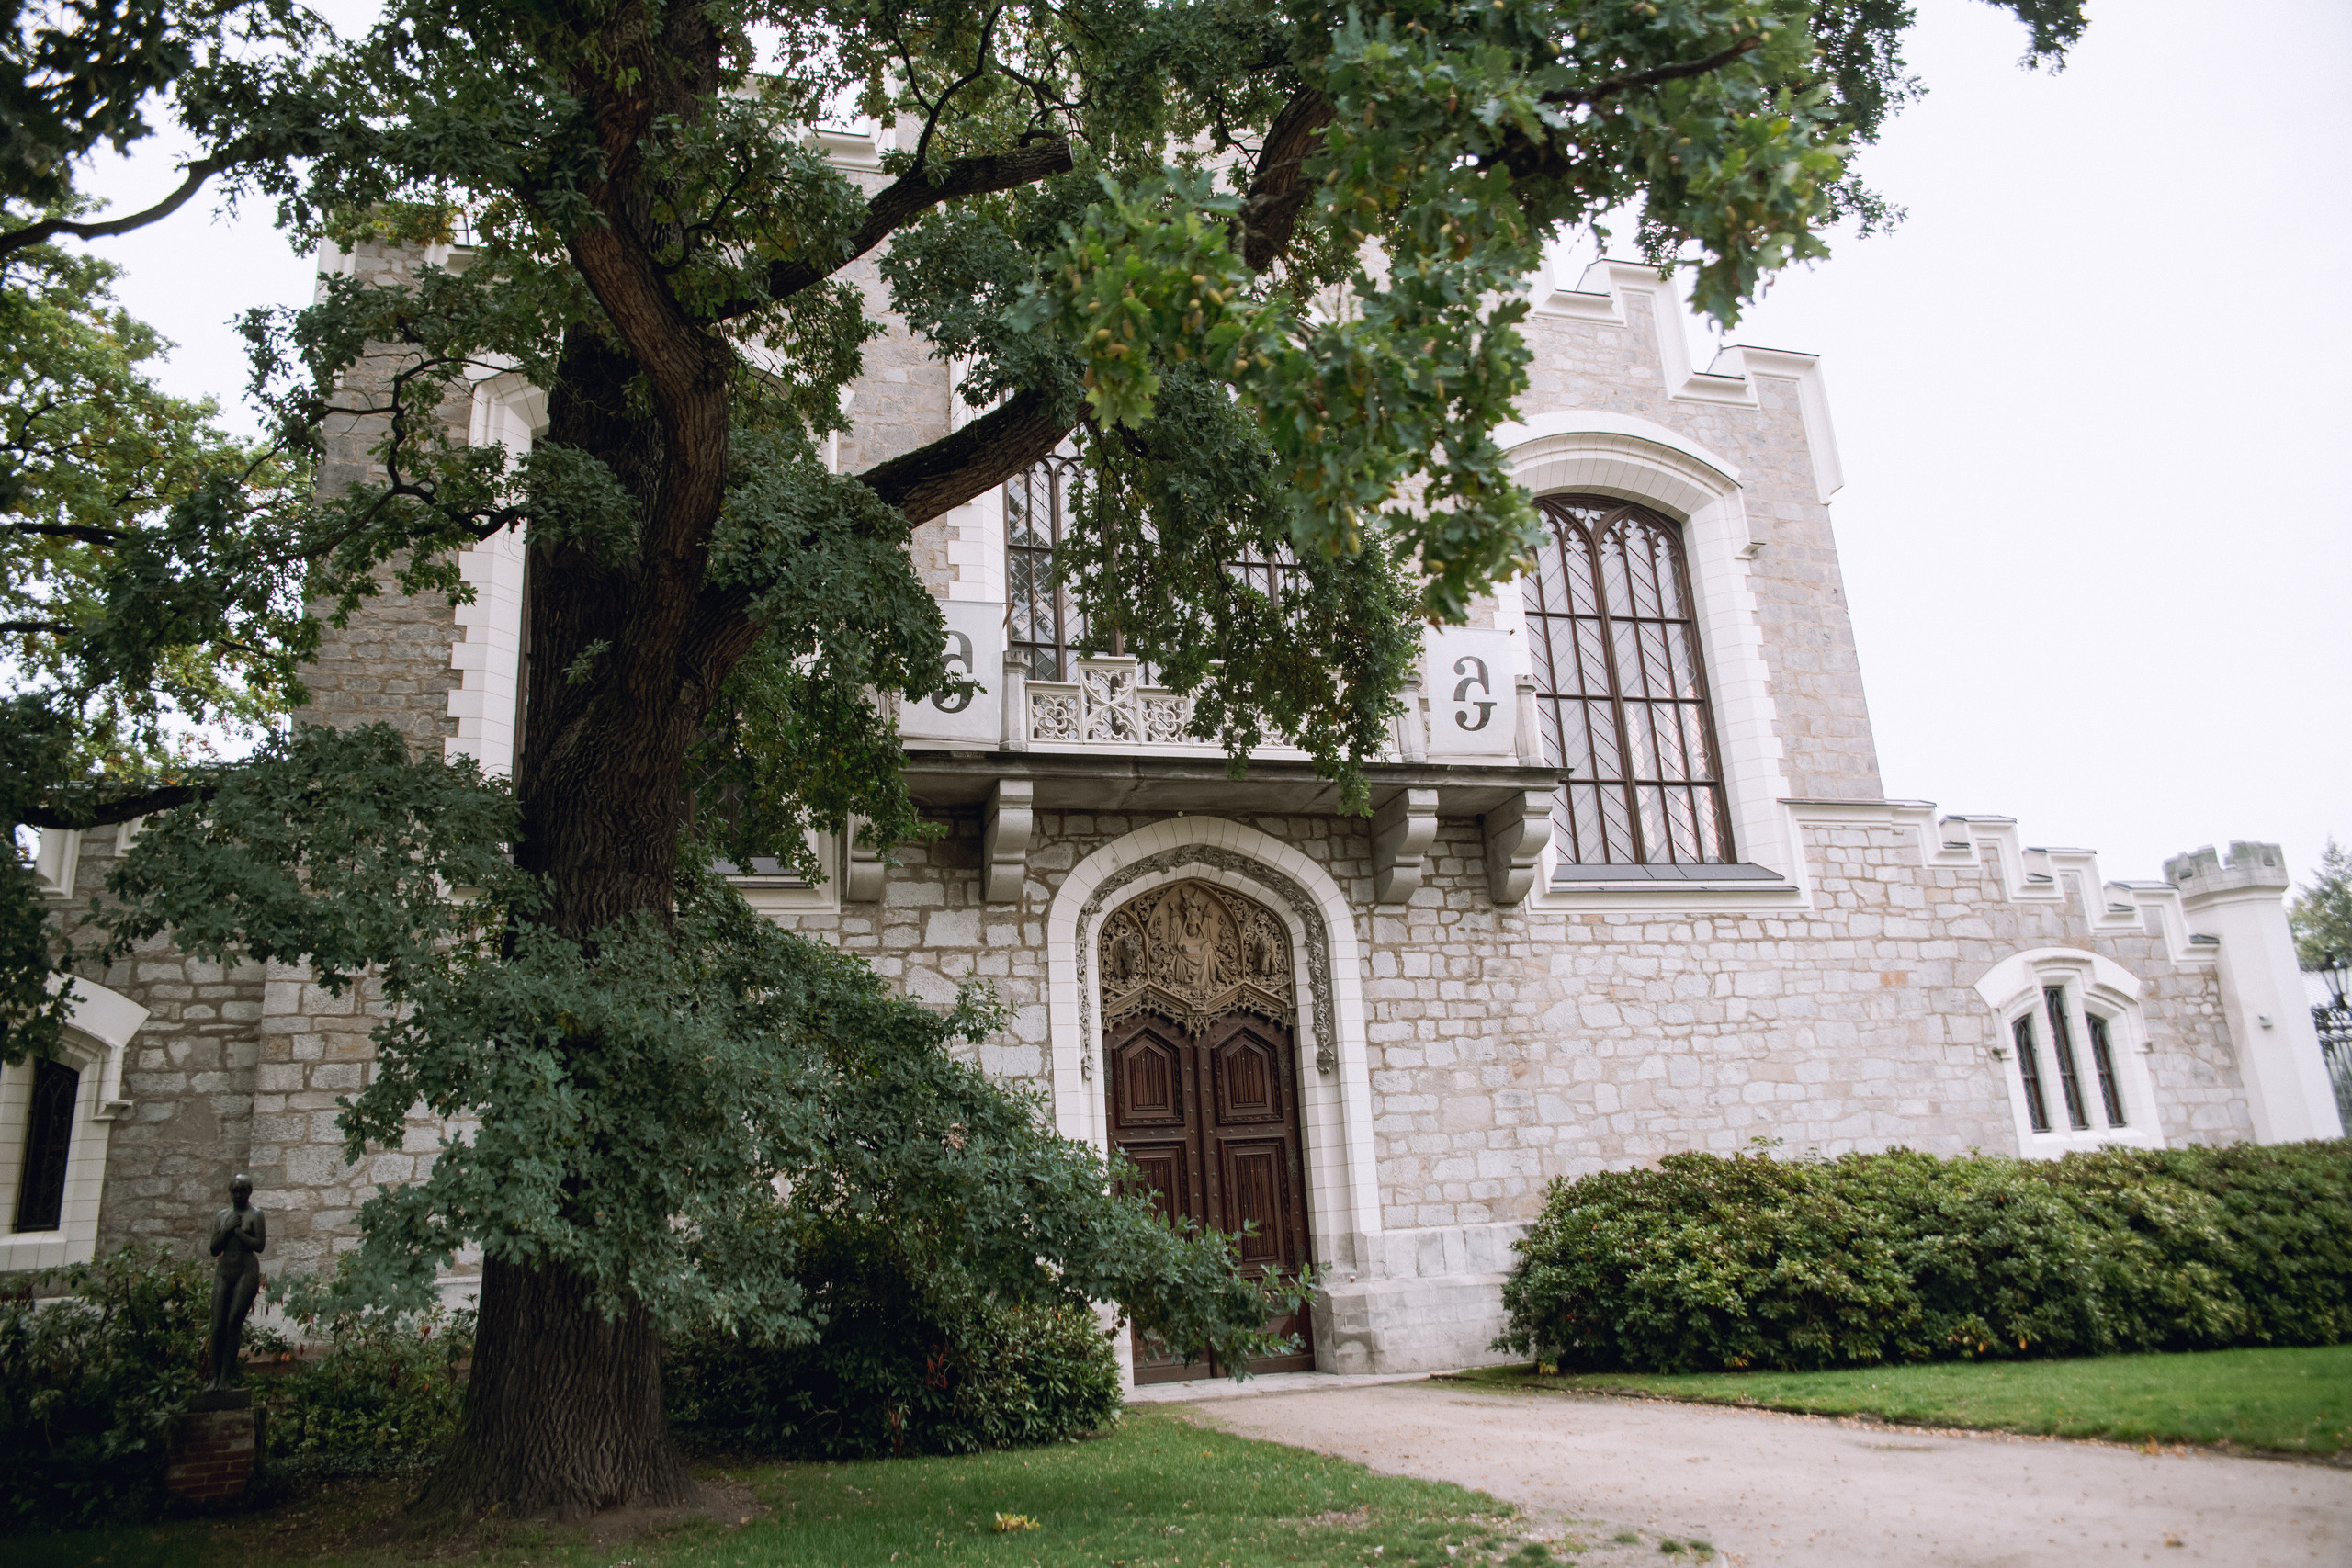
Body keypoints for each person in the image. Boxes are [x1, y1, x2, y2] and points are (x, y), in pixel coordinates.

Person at [207, 1173, 266, 1390]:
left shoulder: (255, 1214)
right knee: (217, 1326)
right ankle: (214, 1378)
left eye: (242, 1190)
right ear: (230, 1192)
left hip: (246, 1272)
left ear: (249, 1192)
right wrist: (227, 1228)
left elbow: (259, 1245)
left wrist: (238, 1232)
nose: (238, 1195)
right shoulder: (223, 1215)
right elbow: (214, 1248)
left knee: (233, 1323)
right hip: (224, 1272)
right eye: (235, 1191)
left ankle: (225, 1379)